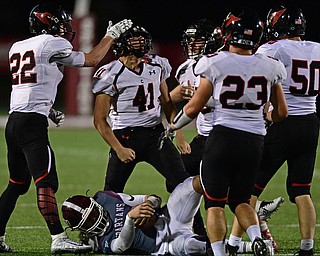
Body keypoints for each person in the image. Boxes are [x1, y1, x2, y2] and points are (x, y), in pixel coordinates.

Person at [0, 2, 132, 254]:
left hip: (15, 121)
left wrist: (48, 109)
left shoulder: (18, 46)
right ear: (46, 23)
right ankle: (58, 238)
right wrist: (110, 37)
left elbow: (29, 84)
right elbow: (92, 59)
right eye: (58, 23)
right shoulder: (51, 43)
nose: (64, 28)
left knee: (16, 184)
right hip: (31, 125)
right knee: (46, 182)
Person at [167, 10, 288, 256]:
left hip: (222, 137)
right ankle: (257, 238)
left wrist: (174, 127)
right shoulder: (270, 65)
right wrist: (266, 119)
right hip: (254, 140)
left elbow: (193, 107)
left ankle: (220, 253)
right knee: (241, 200)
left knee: (215, 203)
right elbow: (281, 112)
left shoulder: (214, 61)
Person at [250, 5, 319, 256]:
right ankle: (307, 247)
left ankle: (242, 242)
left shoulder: (272, 48)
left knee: (250, 190)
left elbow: (257, 79)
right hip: (310, 122)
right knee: (302, 190)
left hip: (281, 122)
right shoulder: (317, 48)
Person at [91, 25, 190, 193]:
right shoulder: (110, 74)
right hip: (125, 136)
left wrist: (178, 134)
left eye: (141, 40)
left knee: (184, 185)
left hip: (155, 135)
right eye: (133, 41)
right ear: (121, 44)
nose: (139, 44)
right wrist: (119, 149)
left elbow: (167, 103)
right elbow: (99, 120)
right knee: (112, 193)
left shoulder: (157, 65)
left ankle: (190, 221)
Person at [61, 175, 257, 255]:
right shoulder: (101, 242)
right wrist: (130, 219)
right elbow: (121, 246)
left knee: (192, 184)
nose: (96, 219)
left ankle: (238, 200)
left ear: (95, 203)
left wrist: (149, 204)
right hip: (163, 245)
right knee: (192, 246)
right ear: (82, 228)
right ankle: (248, 246)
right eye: (90, 221)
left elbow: (152, 198)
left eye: (94, 213)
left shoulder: (105, 198)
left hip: (167, 218)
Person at [168, 18, 223, 237]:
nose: (192, 45)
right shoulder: (185, 69)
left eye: (198, 41)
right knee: (176, 179)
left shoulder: (222, 63)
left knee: (222, 193)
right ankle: (196, 230)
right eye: (190, 41)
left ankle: (259, 227)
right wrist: (179, 135)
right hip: (203, 136)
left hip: (224, 134)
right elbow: (170, 101)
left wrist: (201, 99)